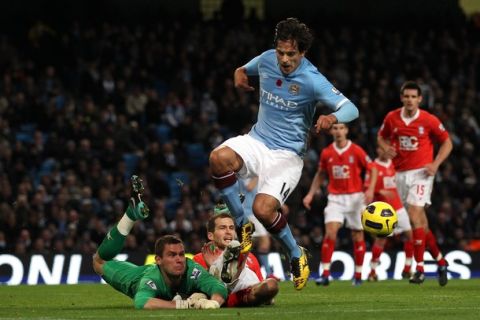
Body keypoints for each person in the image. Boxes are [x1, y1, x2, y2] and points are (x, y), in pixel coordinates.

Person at [209, 17, 359, 291]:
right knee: (218, 158)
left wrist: (331, 117)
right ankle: (243, 226)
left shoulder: (313, 80)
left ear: (303, 53)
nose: (284, 59)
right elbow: (245, 68)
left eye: (291, 54)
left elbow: (351, 109)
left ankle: (294, 252)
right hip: (257, 140)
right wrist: (239, 73)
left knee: (263, 209)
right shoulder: (267, 59)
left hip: (287, 155)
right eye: (281, 52)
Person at [92, 176, 228, 309]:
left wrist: (214, 302)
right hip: (135, 277)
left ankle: (132, 211)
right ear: (158, 260)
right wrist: (181, 305)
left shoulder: (191, 270)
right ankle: (130, 215)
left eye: (181, 254)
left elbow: (218, 287)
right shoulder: (152, 279)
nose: (179, 259)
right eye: (172, 255)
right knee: (99, 262)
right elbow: (141, 302)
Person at [377, 81, 453, 285]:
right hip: (400, 174)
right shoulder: (392, 117)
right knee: (420, 224)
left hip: (422, 172)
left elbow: (447, 142)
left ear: (420, 99)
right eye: (406, 96)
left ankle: (419, 269)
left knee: (414, 215)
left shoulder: (428, 120)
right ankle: (441, 260)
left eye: (413, 97)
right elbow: (381, 136)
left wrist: (436, 164)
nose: (410, 100)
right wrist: (385, 148)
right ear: (402, 98)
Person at [303, 123, 375, 286]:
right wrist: (310, 194)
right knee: (330, 233)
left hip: (356, 198)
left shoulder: (356, 150)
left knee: (357, 235)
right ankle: (326, 274)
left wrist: (369, 188)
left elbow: (372, 168)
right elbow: (320, 174)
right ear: (331, 131)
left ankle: (358, 275)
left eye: (341, 128)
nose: (338, 131)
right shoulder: (327, 152)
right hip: (335, 198)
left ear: (347, 130)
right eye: (335, 128)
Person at [193, 207, 279, 307]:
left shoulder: (251, 257)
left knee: (272, 284)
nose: (228, 231)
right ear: (210, 236)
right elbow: (197, 289)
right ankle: (220, 272)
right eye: (222, 228)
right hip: (225, 296)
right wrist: (210, 268)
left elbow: (258, 287)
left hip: (246, 295)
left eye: (231, 228)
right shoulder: (199, 259)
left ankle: (225, 271)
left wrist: (263, 293)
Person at [364, 146, 414, 281]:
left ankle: (408, 268)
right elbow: (367, 189)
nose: (387, 151)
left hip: (398, 207)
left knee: (411, 235)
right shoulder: (372, 166)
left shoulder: (394, 164)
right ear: (378, 150)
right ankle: (372, 271)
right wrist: (380, 192)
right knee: (381, 240)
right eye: (383, 149)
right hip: (383, 211)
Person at [239, 177, 276, 278]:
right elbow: (249, 187)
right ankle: (267, 273)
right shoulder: (247, 173)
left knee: (253, 243)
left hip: (254, 212)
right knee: (264, 241)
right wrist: (258, 175)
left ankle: (264, 272)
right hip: (248, 212)